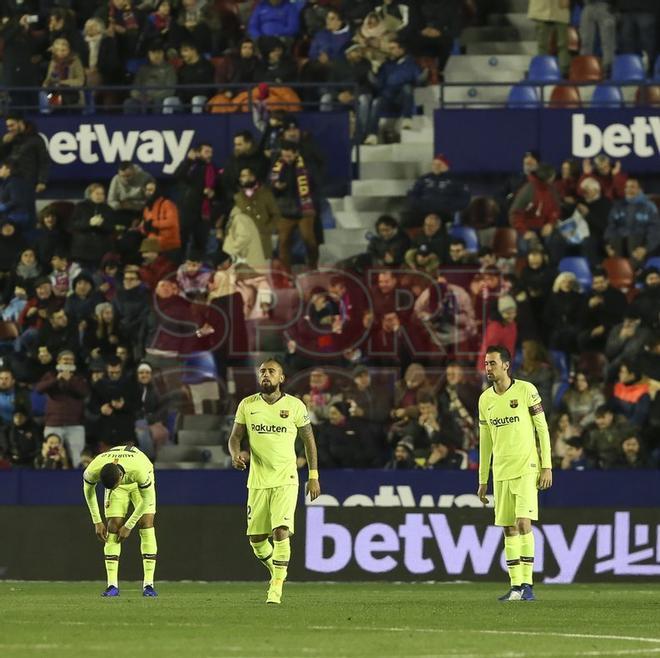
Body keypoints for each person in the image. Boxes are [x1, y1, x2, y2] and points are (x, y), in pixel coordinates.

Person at [228, 358, 320, 605]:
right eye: (262, 372)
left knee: (281, 531)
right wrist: (235, 454)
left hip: (286, 479)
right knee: (257, 541)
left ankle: (275, 588)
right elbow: (235, 438)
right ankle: (277, 570)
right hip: (257, 481)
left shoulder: (295, 406)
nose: (266, 375)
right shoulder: (247, 405)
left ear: (282, 378)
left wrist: (313, 476)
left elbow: (309, 441)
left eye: (271, 371)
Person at [477, 344, 552, 601]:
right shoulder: (484, 400)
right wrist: (482, 479)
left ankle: (528, 584)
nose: (488, 368)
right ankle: (516, 586)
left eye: (493, 363)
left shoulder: (526, 390)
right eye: (486, 364)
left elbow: (542, 429)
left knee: (523, 523)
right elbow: (485, 441)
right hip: (500, 471)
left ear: (506, 365)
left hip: (526, 467)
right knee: (508, 528)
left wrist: (547, 465)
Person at [82, 444, 157, 597]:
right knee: (113, 526)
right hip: (118, 477)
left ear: (121, 478)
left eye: (115, 485)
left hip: (138, 484)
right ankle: (112, 586)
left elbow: (147, 498)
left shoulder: (139, 471)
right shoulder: (92, 469)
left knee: (146, 523)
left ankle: (148, 585)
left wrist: (129, 525)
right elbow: (88, 491)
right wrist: (97, 521)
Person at [34, 350, 89, 468]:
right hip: (53, 423)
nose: (68, 362)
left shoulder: (79, 377)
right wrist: (56, 380)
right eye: (65, 359)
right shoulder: (50, 375)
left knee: (77, 458)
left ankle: (79, 484)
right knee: (51, 456)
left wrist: (70, 380)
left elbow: (84, 392)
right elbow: (39, 389)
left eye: (71, 360)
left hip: (75, 424)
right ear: (58, 361)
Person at [364, 39, 421, 145]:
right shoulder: (386, 65)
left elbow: (418, 80)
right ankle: (372, 135)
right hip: (387, 98)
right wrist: (373, 76)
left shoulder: (411, 64)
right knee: (377, 102)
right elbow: (379, 84)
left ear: (401, 50)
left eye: (393, 48)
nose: (390, 51)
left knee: (407, 87)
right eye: (389, 48)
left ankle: (407, 119)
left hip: (402, 98)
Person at [604, 178, 660, 268]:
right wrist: (608, 245)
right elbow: (611, 226)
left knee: (633, 237)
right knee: (616, 238)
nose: (628, 190)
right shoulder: (618, 206)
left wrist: (645, 248)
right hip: (621, 244)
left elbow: (655, 231)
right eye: (626, 187)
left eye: (632, 187)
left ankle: (634, 272)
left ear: (640, 190)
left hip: (641, 245)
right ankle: (619, 271)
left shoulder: (649, 207)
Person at [405, 155, 471, 226]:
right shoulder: (424, 178)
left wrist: (447, 207)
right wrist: (421, 206)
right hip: (423, 215)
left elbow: (464, 199)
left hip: (446, 216)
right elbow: (412, 194)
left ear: (446, 166)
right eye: (433, 164)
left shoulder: (456, 180)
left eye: (439, 164)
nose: (435, 167)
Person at [527, 0, 570, 76]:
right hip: (542, 8)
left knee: (563, 43)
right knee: (542, 44)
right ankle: (543, 69)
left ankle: (564, 71)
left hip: (560, 9)